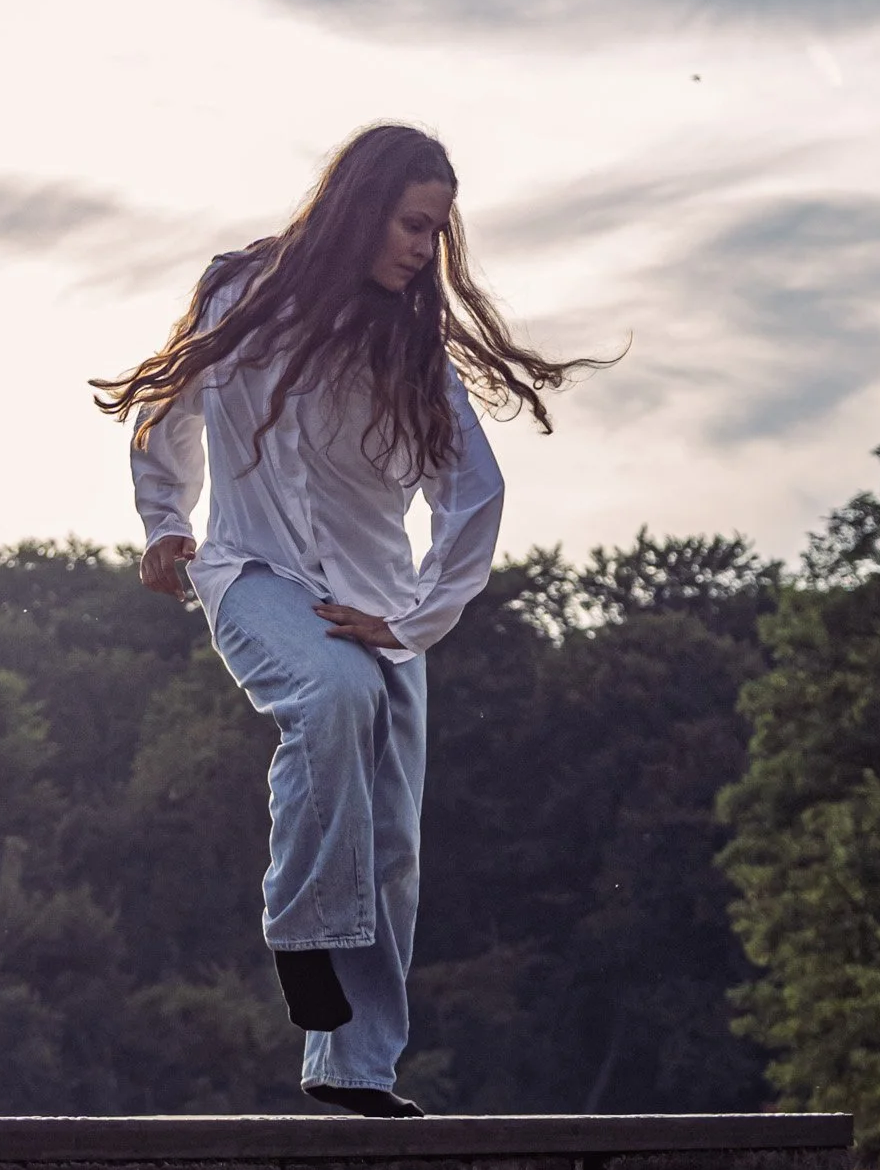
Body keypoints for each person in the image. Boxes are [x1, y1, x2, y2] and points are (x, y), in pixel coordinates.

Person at [95, 123, 589, 1117]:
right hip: (251, 573)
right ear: (358, 208)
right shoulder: (238, 288)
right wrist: (162, 524)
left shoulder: (407, 341)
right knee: (328, 694)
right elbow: (170, 410)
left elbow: (473, 492)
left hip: (372, 601)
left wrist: (411, 616)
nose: (422, 248)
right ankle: (297, 929)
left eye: (435, 232)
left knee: (391, 847)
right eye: (411, 224)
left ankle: (353, 1074)